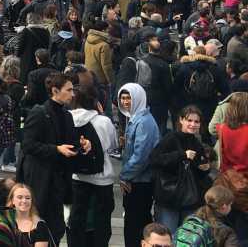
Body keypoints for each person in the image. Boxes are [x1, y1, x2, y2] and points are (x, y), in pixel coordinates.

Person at [16, 71, 85, 241]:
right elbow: (28, 145)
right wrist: (56, 150)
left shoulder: (67, 115)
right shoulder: (39, 113)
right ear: (55, 90)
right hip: (40, 181)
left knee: (56, 228)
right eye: (68, 90)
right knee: (38, 225)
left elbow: (69, 144)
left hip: (59, 181)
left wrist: (82, 145)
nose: (72, 94)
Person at [67, 84, 117, 247]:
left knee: (77, 218)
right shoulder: (103, 121)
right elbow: (112, 145)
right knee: (101, 220)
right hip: (102, 177)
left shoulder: (68, 118)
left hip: (77, 175)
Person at [150, 105, 213, 231]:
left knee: (186, 238)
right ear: (181, 120)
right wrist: (182, 155)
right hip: (169, 198)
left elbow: (198, 171)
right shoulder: (171, 138)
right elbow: (154, 159)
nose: (193, 124)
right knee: (167, 235)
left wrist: (205, 168)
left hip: (189, 200)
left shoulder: (197, 143)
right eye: (189, 120)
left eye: (196, 121)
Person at [120, 83, 162, 247]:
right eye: (122, 98)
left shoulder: (143, 122)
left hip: (140, 182)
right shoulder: (136, 119)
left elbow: (141, 157)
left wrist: (124, 176)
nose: (125, 102)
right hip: (136, 180)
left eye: (128, 98)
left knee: (135, 225)